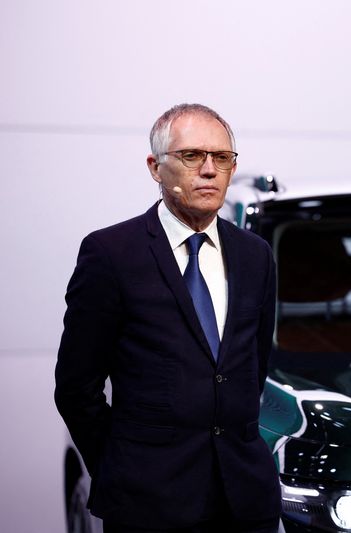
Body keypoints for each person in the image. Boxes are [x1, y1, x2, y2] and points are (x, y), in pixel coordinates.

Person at [55, 103, 281, 532]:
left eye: (222, 157)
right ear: (155, 167)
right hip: (148, 504)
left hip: (246, 502)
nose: (210, 170)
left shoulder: (256, 256)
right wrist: (119, 469)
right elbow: (75, 387)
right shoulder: (111, 254)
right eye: (192, 156)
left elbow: (252, 369)